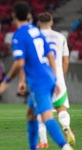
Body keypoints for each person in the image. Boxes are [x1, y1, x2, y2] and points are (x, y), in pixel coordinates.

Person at [0, 2, 73, 150]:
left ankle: (65, 147)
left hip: (39, 81)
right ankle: (33, 147)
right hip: (49, 76)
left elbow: (20, 62)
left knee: (46, 117)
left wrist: (6, 81)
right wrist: (56, 79)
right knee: (31, 114)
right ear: (29, 16)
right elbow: (50, 55)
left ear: (13, 16)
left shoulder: (19, 35)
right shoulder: (35, 31)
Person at [35, 12, 75, 148]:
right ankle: (65, 126)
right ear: (51, 22)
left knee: (41, 110)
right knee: (61, 107)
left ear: (39, 23)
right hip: (57, 76)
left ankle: (43, 141)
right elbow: (65, 60)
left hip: (41, 77)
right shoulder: (60, 37)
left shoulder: (35, 37)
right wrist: (60, 75)